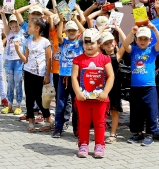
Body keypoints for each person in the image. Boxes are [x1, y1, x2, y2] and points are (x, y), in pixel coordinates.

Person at [72, 28, 116, 158]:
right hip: (83, 99)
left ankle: (100, 145)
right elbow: (74, 77)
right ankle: (83, 144)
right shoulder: (78, 59)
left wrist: (105, 92)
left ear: (99, 44)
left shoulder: (105, 59)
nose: (89, 45)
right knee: (83, 122)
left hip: (100, 99)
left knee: (100, 123)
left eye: (92, 43)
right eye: (86, 43)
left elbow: (111, 76)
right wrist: (78, 93)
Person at [122, 23, 159, 146]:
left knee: (151, 111)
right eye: (140, 38)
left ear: (150, 40)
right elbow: (125, 45)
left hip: (149, 87)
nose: (143, 41)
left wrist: (154, 29)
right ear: (136, 40)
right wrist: (131, 32)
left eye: (146, 39)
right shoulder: (134, 50)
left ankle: (150, 134)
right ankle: (138, 133)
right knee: (136, 111)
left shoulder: (152, 50)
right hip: (135, 88)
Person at [15, 17, 53, 132]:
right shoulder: (28, 42)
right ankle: (31, 120)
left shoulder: (45, 42)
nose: (27, 28)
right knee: (29, 97)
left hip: (40, 73)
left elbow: (49, 59)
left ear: (37, 28)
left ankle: (48, 119)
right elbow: (25, 59)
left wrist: (47, 76)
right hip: (28, 71)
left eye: (29, 26)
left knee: (39, 97)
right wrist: (17, 49)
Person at [52, 12, 86, 138]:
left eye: (74, 30)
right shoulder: (63, 42)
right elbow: (59, 37)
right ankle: (58, 128)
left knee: (77, 103)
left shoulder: (80, 42)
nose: (71, 32)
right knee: (61, 103)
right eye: (69, 30)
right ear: (66, 31)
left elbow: (86, 34)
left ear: (77, 32)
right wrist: (61, 21)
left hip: (77, 77)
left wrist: (76, 20)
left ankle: (77, 129)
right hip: (63, 76)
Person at [99, 28, 127, 144]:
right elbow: (95, 41)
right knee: (101, 111)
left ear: (114, 42)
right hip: (102, 87)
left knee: (114, 110)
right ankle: (100, 133)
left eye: (110, 42)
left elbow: (126, 43)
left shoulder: (117, 55)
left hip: (114, 87)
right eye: (106, 43)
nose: (109, 45)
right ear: (102, 46)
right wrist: (103, 30)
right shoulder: (100, 56)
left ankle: (113, 134)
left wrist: (119, 29)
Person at [0, 11, 26, 115]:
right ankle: (9, 105)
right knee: (10, 82)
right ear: (10, 25)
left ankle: (18, 105)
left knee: (18, 82)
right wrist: (2, 14)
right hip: (9, 60)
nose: (15, 27)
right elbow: (5, 26)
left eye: (17, 25)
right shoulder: (9, 33)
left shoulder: (23, 33)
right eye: (13, 25)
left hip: (19, 60)